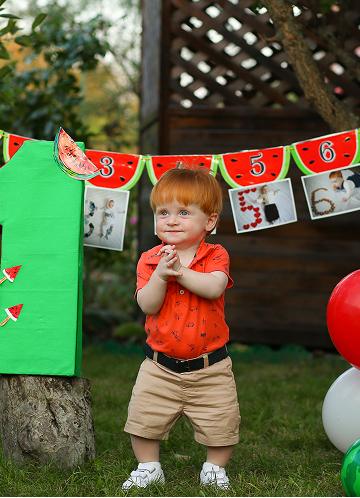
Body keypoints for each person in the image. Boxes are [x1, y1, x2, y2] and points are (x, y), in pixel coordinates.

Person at [122, 165, 240, 491]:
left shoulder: (215, 255)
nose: (172, 220)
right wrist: (161, 275)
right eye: (164, 212)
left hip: (210, 365)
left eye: (184, 212)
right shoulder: (150, 259)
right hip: (159, 365)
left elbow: (214, 287)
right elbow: (147, 305)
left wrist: (179, 272)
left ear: (210, 222)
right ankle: (148, 466)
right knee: (144, 418)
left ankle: (214, 467)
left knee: (221, 421)